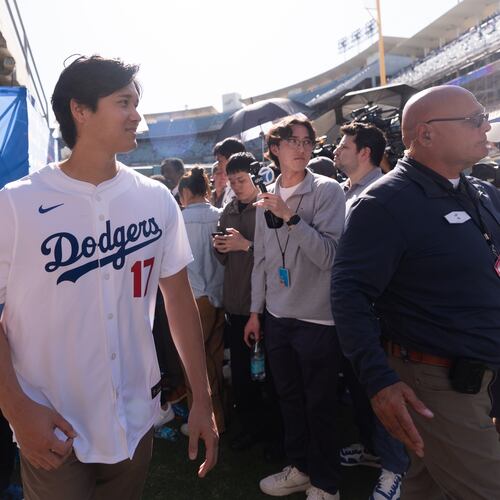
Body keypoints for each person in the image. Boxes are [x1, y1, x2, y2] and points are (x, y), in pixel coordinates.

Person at [0, 55, 218, 500]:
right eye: (124, 102)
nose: (137, 114)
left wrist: (202, 396)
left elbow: (177, 299)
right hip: (52, 423)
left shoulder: (155, 199)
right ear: (80, 110)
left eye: (137, 102)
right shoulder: (17, 204)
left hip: (134, 421)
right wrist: (16, 408)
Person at [332, 85, 500, 499]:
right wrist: (378, 381)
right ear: (425, 135)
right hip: (439, 382)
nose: (486, 126)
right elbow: (349, 294)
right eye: (473, 119)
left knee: (427, 487)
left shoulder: (480, 191)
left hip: (482, 370)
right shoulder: (384, 203)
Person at [245, 117, 345, 500]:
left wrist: (290, 218)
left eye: (306, 141)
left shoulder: (328, 190)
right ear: (274, 149)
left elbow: (330, 257)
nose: (301, 148)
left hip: (318, 318)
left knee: (320, 404)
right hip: (277, 317)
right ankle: (301, 468)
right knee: (289, 399)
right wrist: (255, 312)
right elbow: (263, 262)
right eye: (291, 141)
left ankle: (327, 483)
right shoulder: (266, 195)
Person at [333, 122, 408, 500]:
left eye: (343, 145)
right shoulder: (343, 192)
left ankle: (395, 469)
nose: (336, 150)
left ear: (364, 152)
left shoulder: (387, 194)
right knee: (362, 388)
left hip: (380, 313)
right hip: (353, 313)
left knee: (385, 387)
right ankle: (374, 451)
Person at [213, 152, 283, 456]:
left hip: (266, 307)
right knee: (242, 377)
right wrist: (221, 247)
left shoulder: (268, 208)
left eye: (241, 180)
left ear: (254, 177)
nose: (237, 186)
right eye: (232, 181)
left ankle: (275, 432)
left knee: (271, 377)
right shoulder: (227, 211)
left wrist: (246, 245)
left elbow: (280, 255)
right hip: (236, 306)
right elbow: (223, 258)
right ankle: (251, 429)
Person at [178, 167, 226, 435]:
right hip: (220, 296)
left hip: (195, 298)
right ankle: (220, 417)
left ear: (185, 192)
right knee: (214, 358)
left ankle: (208, 420)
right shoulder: (220, 215)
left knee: (194, 364)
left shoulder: (179, 219)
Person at [213, 137, 246, 207]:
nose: (218, 166)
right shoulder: (229, 185)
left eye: (220, 161)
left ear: (231, 158)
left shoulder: (245, 186)